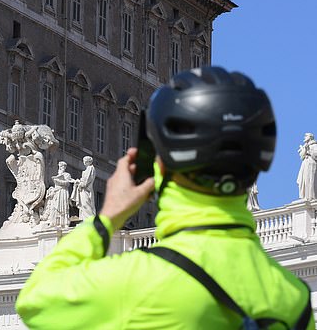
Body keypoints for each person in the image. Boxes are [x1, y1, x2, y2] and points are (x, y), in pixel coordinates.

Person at [16, 67, 313, 329]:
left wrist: (107, 218)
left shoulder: (136, 281)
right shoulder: (294, 300)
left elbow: (35, 300)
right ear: (257, 163)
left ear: (159, 164)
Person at [45, 161, 74, 228]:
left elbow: (67, 183)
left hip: (63, 191)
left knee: (63, 207)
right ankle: (55, 223)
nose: (61, 168)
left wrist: (59, 181)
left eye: (63, 166)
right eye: (60, 166)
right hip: (57, 192)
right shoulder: (58, 174)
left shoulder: (67, 175)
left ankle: (64, 223)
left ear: (65, 167)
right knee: (55, 207)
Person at [70, 156, 96, 220]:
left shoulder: (90, 168)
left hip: (86, 190)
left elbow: (86, 181)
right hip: (83, 190)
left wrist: (80, 183)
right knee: (83, 205)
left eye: (85, 160)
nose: (84, 162)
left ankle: (89, 219)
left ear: (88, 161)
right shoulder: (88, 169)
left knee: (86, 204)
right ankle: (85, 219)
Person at [297, 132, 317, 201]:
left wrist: (309, 150)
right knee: (304, 180)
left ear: (310, 137)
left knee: (310, 179)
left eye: (306, 136)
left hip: (311, 164)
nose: (304, 137)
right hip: (305, 163)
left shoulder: (314, 145)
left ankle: (311, 197)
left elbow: (316, 155)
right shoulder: (305, 146)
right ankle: (304, 196)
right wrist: (305, 149)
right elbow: (302, 156)